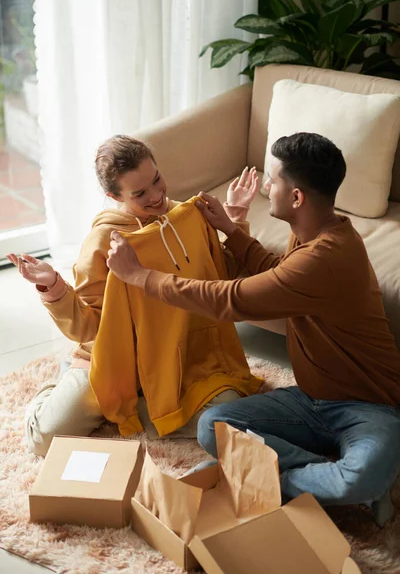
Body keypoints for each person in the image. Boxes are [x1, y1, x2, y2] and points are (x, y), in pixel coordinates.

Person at [107, 132, 400, 526]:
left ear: (296, 197)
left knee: (358, 478)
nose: (265, 186)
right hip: (312, 400)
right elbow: (279, 273)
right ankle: (321, 474)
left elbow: (230, 300)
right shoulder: (314, 228)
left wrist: (140, 276)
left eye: (273, 180)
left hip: (370, 405)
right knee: (215, 426)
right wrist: (231, 228)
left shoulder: (328, 257)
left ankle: (272, 481)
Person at [7, 135, 260, 457]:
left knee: (227, 416)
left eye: (157, 180)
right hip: (119, 359)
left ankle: (123, 411)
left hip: (179, 356)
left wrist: (236, 214)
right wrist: (53, 287)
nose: (156, 196)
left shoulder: (187, 218)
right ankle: (73, 385)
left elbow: (221, 279)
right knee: (45, 438)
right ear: (114, 196)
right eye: (140, 193)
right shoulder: (103, 241)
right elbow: (89, 328)